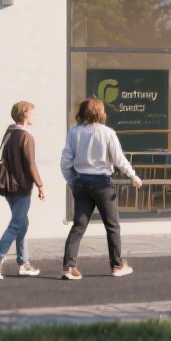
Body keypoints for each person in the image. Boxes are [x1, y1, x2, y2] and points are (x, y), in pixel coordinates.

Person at [60, 97, 141, 280]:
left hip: (81, 182)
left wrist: (72, 182)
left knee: (78, 227)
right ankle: (117, 265)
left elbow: (65, 161)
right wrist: (133, 176)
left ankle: (68, 266)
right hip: (102, 184)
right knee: (112, 226)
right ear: (101, 112)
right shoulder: (108, 133)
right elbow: (119, 160)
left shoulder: (74, 133)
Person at [0, 101, 46, 280]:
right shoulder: (26, 137)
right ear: (25, 115)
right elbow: (30, 164)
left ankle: (23, 263)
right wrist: (40, 185)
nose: (35, 115)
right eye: (33, 112)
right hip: (21, 187)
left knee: (22, 223)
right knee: (17, 223)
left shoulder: (9, 133)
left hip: (8, 187)